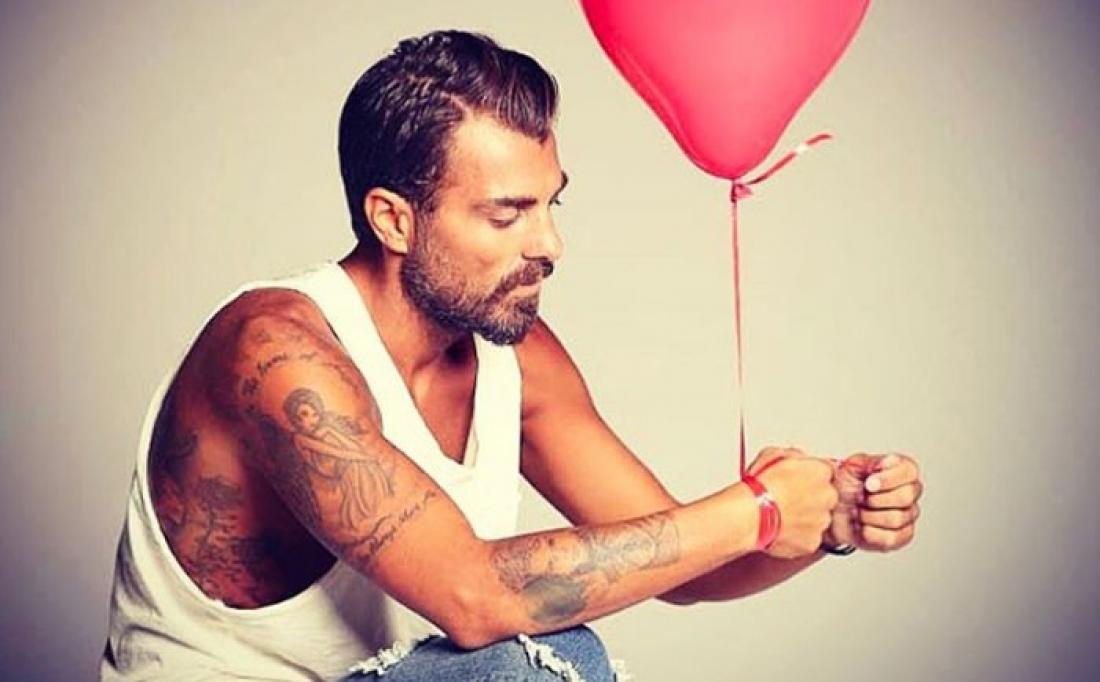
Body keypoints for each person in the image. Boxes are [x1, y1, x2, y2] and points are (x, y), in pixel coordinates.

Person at [101, 30, 924, 681]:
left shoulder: (515, 356)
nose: (550, 244)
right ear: (394, 220)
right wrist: (760, 509)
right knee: (530, 663)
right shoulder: (276, 353)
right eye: (507, 215)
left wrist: (828, 521)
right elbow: (475, 596)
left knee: (547, 654)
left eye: (552, 205)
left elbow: (681, 565)